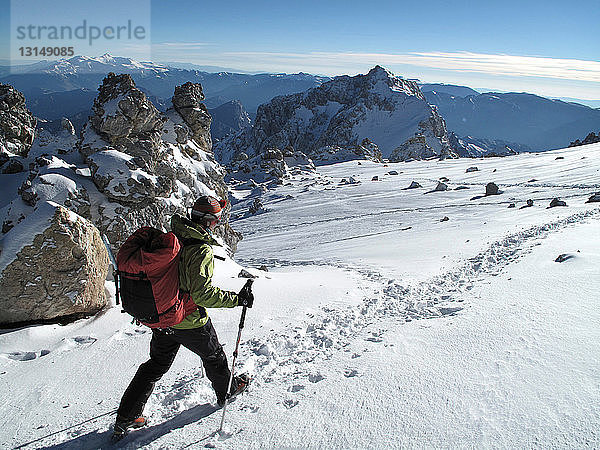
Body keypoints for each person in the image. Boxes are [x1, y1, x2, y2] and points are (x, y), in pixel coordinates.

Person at [113, 195, 254, 439]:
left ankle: (127, 415)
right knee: (214, 356)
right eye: (217, 219)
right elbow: (202, 294)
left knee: (155, 365)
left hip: (163, 318)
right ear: (209, 222)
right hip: (188, 318)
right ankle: (228, 391)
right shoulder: (199, 250)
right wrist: (237, 299)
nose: (218, 223)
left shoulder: (173, 236)